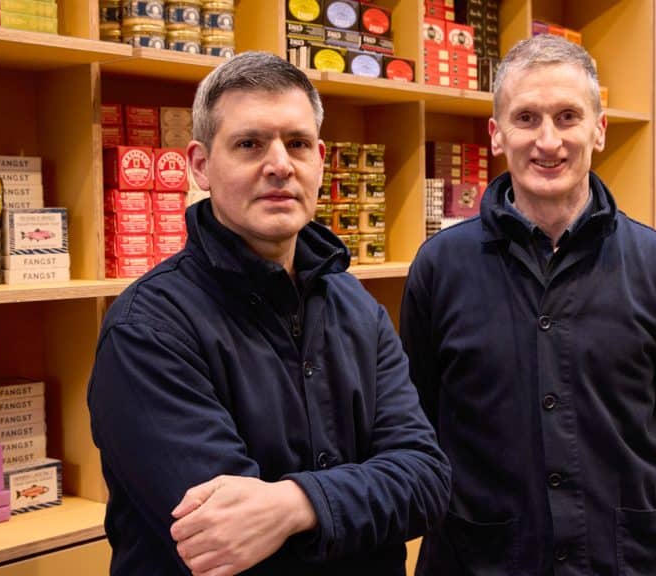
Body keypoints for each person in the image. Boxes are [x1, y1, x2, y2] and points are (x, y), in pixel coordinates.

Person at [88, 52, 450, 576]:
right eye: (250, 144)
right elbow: (221, 537)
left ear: (320, 160)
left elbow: (426, 481)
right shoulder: (147, 329)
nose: (280, 164)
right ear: (200, 165)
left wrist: (295, 505)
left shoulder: (357, 309)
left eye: (297, 143)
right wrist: (356, 505)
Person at [400, 35, 656, 576]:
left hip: (625, 559)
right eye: (526, 118)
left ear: (599, 128)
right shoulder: (440, 267)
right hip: (481, 560)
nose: (548, 141)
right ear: (497, 134)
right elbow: (423, 415)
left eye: (568, 116)